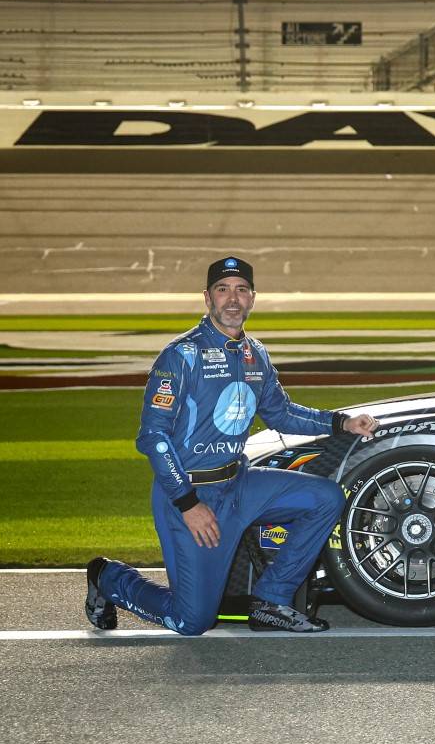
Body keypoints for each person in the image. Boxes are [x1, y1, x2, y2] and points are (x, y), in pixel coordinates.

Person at [84, 258, 377, 636]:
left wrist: (342, 423)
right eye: (223, 290)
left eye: (241, 290)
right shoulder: (181, 355)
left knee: (325, 497)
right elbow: (153, 437)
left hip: (238, 485)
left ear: (253, 298)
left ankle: (271, 601)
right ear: (207, 298)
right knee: (192, 621)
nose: (232, 299)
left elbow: (282, 413)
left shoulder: (255, 353)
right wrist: (188, 503)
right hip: (191, 496)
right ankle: (108, 576)